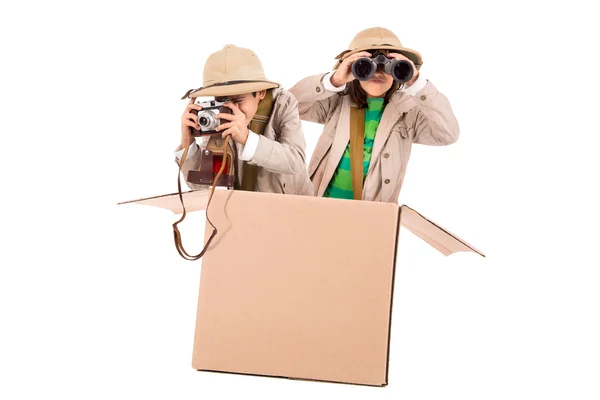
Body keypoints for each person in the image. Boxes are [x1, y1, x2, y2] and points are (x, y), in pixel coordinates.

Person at [289, 27, 459, 202]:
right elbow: (289, 105)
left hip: (373, 216)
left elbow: (447, 134)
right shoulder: (336, 102)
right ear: (351, 67)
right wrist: (334, 80)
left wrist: (417, 84)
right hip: (321, 205)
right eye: (366, 65)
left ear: (399, 70)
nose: (377, 72)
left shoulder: (409, 113)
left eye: (389, 65)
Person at [175, 45, 313, 196]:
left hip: (290, 207)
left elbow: (296, 162)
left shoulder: (283, 103)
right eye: (222, 100)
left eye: (239, 100)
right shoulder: (217, 114)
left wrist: (247, 139)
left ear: (260, 92)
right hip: (240, 208)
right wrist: (187, 144)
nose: (231, 109)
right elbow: (199, 183)